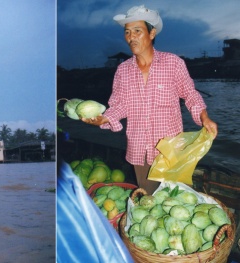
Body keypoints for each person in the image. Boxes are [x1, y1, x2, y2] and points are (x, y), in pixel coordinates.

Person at [81, 5, 218, 195]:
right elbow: (119, 105)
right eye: (127, 32)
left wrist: (204, 118)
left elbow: (190, 93)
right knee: (148, 202)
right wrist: (103, 118)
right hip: (140, 150)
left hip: (169, 151)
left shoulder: (173, 63)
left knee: (175, 199)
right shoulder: (123, 71)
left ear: (152, 33)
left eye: (137, 31)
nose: (131, 37)